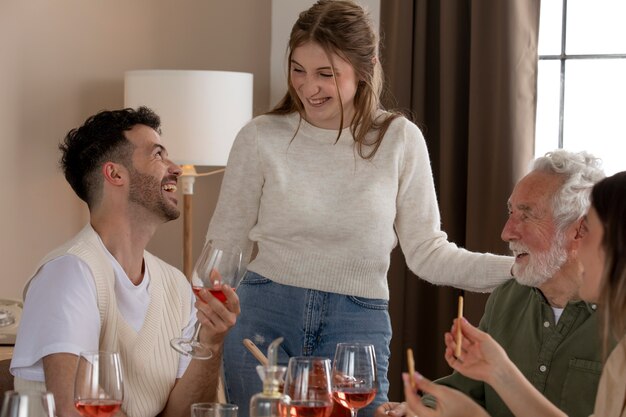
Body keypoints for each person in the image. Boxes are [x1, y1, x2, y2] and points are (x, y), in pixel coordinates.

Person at [204, 1, 513, 415]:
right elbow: (225, 248)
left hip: (356, 324)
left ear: (365, 69)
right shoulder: (261, 137)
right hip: (264, 317)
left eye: (325, 74)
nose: (307, 87)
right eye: (298, 69)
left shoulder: (399, 140)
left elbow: (428, 253)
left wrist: (516, 271)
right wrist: (200, 336)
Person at [10, 107, 240, 417]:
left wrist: (211, 343)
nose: (176, 168)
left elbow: (185, 413)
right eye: (158, 155)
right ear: (115, 174)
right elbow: (74, 410)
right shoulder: (69, 273)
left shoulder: (175, 284)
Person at [378, 150, 606, 417]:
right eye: (511, 212)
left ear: (579, 230)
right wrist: (418, 411)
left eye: (527, 215)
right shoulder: (506, 299)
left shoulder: (619, 318)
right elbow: (466, 390)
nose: (506, 232)